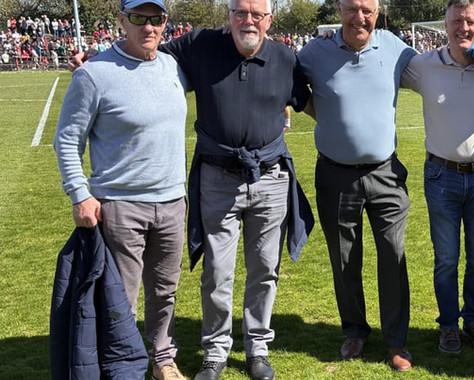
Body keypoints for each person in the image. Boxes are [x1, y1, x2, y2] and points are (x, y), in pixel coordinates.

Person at [157, 0, 314, 378]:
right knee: (217, 271)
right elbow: (145, 55)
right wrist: (96, 64)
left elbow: (314, 103)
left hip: (271, 179)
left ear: (269, 20)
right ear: (228, 16)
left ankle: (257, 347)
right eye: (240, 12)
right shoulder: (199, 45)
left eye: (256, 14)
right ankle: (215, 350)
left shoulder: (285, 58)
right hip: (217, 179)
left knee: (264, 269)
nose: (248, 21)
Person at [54, 1, 188, 379]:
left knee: (165, 291)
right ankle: (122, 365)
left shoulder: (173, 67)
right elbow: (66, 140)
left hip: (173, 202)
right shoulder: (94, 75)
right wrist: (79, 193)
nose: (148, 27)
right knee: (120, 297)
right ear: (121, 21)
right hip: (120, 205)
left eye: (156, 19)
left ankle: (163, 359)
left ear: (165, 23)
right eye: (138, 18)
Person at [296, 0, 417, 371]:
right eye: (351, 8)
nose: (358, 17)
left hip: (386, 173)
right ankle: (355, 330)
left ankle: (396, 342)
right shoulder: (315, 52)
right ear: (338, 8)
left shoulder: (396, 48)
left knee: (392, 256)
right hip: (335, 174)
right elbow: (292, 88)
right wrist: (330, 116)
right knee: (344, 257)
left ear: (377, 12)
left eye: (366, 9)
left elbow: (441, 70)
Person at [399, 0, 474, 355]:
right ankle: (448, 325)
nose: (464, 27)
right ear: (444, 26)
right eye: (457, 20)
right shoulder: (421, 66)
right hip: (441, 174)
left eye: (470, 21)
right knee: (446, 258)